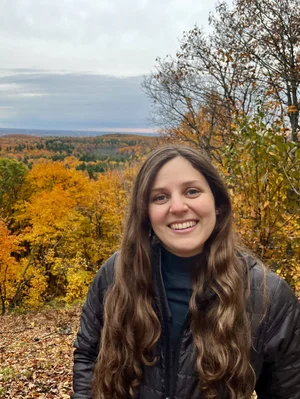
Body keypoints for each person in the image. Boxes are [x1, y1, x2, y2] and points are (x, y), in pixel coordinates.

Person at [72, 145, 300, 399]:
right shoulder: (115, 274)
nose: (178, 207)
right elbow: (88, 356)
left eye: (192, 191)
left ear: (217, 204)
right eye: (160, 197)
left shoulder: (267, 295)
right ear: (146, 214)